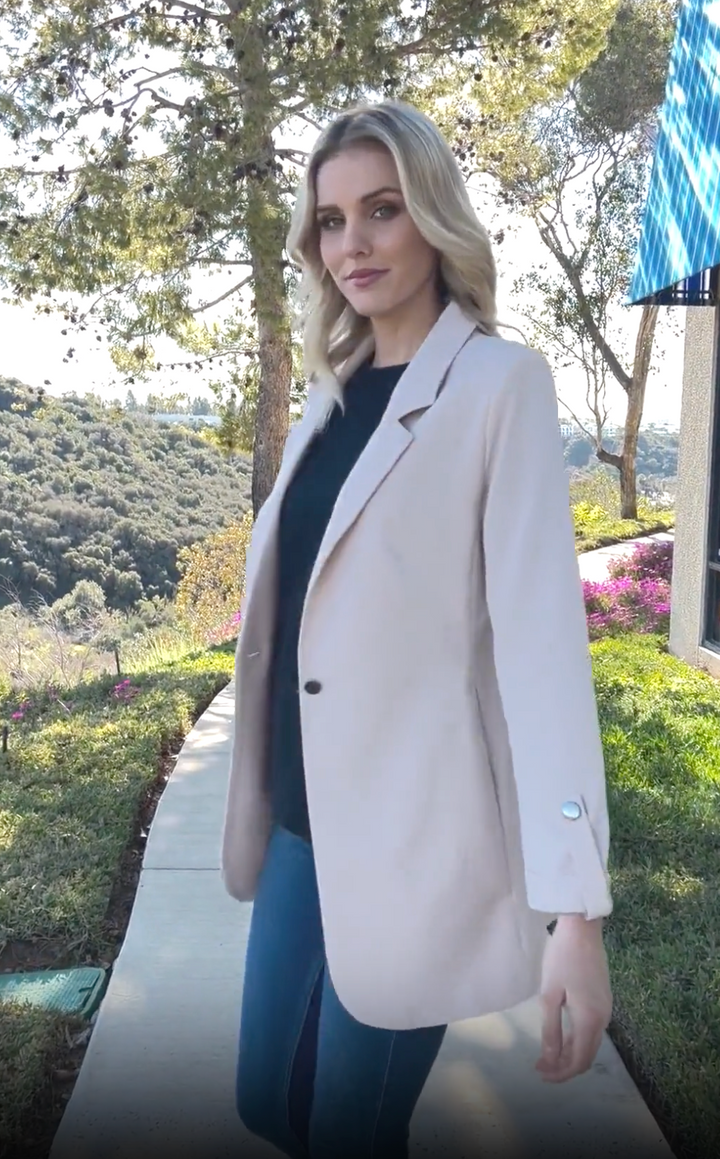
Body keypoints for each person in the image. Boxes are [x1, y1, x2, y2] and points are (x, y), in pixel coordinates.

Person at [221, 99, 613, 1159]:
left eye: (381, 211)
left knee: (350, 1130)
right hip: (303, 831)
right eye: (333, 220)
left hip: (419, 849)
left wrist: (575, 915)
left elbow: (543, 661)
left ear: (431, 217)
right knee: (268, 1102)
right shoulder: (329, 400)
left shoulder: (499, 387)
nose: (354, 243)